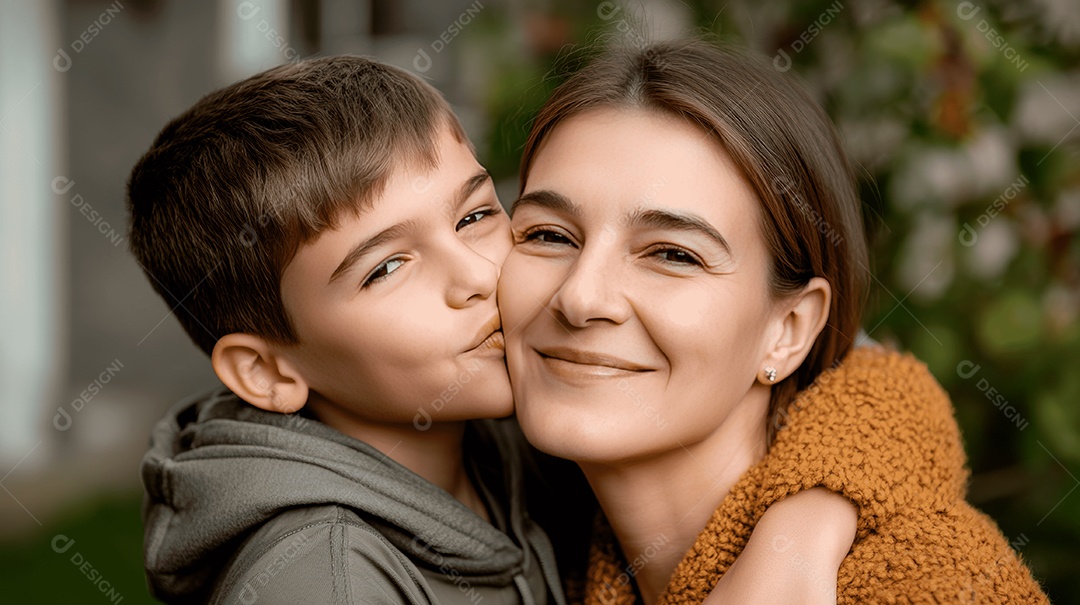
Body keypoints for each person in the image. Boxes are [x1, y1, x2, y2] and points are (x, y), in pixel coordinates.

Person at [497, 39, 1050, 604]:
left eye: (672, 254)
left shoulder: (935, 586)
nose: (580, 297)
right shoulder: (523, 523)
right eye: (548, 235)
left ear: (788, 330)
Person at [129, 55, 564, 605]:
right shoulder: (322, 582)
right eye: (387, 268)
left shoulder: (523, 448)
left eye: (473, 217)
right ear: (265, 372)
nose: (478, 276)